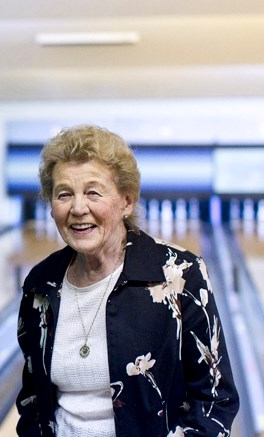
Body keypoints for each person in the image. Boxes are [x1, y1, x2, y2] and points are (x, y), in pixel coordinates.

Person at [15, 124, 239, 436]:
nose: (78, 208)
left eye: (93, 192)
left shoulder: (180, 274)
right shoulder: (41, 284)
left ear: (127, 202)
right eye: (64, 194)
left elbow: (216, 401)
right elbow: (32, 402)